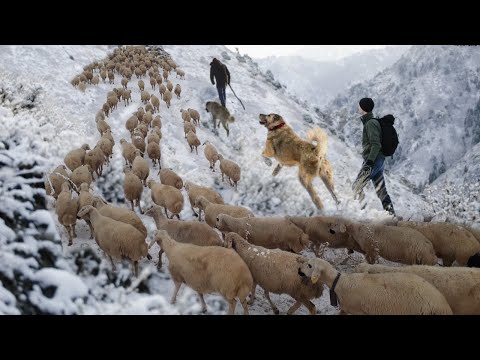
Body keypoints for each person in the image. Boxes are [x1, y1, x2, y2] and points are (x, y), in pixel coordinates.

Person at [353, 97, 396, 216]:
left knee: (356, 186)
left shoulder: (370, 123)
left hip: (374, 160)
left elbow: (376, 144)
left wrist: (369, 162)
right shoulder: (370, 122)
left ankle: (362, 214)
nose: (358, 107)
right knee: (381, 190)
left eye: (359, 105)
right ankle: (391, 215)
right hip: (378, 161)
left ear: (363, 108)